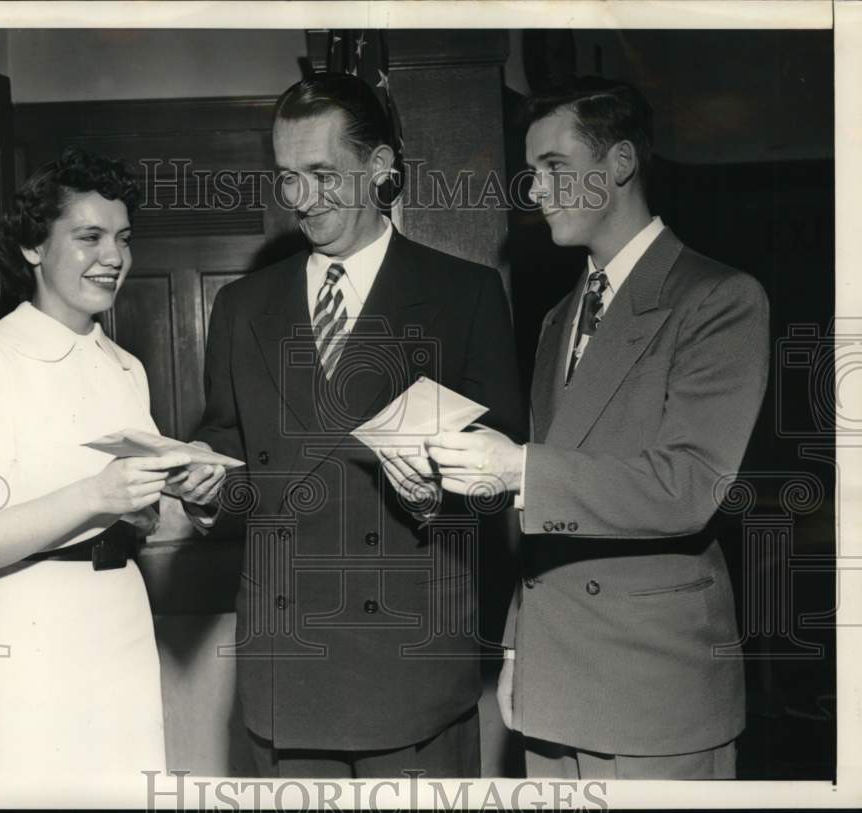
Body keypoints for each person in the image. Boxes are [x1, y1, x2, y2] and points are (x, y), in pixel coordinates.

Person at [174, 73, 525, 778]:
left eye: (323, 174)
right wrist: (206, 484)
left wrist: (437, 495)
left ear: (381, 168)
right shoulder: (243, 306)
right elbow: (236, 457)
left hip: (410, 670)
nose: (302, 199)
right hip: (287, 669)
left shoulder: (465, 294)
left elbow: (503, 480)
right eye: (287, 177)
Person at [424, 77, 770, 779]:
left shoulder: (718, 298)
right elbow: (554, 516)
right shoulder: (559, 317)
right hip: (555, 687)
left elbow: (689, 485)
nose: (536, 191)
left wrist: (517, 468)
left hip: (654, 695)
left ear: (617, 166)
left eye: (554, 168)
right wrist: (521, 647)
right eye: (531, 172)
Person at [0, 147, 218, 775]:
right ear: (35, 247)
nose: (113, 256)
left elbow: (141, 520)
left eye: (122, 238)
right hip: (30, 628)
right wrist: (94, 494)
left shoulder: (125, 367)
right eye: (88, 237)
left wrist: (194, 501)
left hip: (121, 615)